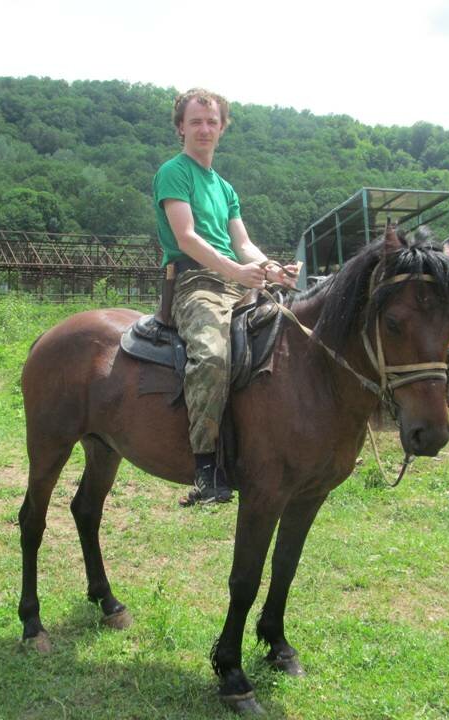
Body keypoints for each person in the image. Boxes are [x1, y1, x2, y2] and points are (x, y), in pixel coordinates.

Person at [152, 88, 299, 507]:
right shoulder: (174, 172)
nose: (204, 128)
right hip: (194, 282)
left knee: (290, 340)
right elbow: (186, 237)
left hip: (236, 283)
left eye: (211, 122)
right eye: (195, 121)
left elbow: (243, 243)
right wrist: (235, 270)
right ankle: (205, 467)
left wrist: (271, 268)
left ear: (222, 129)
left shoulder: (225, 188)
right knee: (213, 356)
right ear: (181, 128)